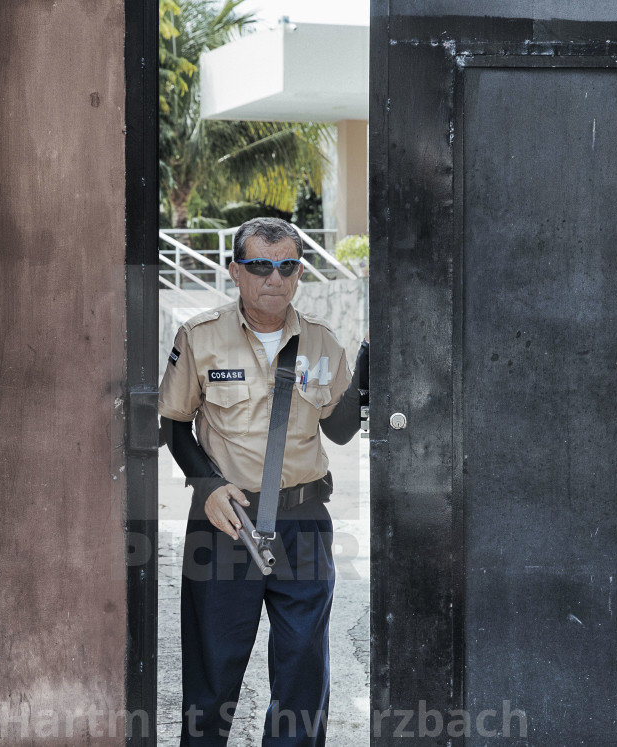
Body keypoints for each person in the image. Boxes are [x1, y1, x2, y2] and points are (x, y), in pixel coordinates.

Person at [158, 217, 369, 746]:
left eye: (287, 266)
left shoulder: (321, 341)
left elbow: (341, 433)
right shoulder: (200, 337)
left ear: (298, 272)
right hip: (226, 524)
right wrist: (205, 485)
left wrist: (366, 366)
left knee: (303, 673)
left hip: (304, 524)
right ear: (235, 271)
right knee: (213, 674)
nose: (274, 278)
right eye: (259, 266)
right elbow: (174, 424)